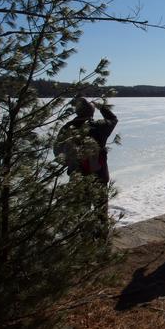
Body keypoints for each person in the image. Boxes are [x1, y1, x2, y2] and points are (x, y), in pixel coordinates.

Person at [54, 97, 118, 237]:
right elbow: (113, 119)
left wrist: (71, 163)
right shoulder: (99, 127)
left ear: (77, 111)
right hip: (99, 175)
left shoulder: (67, 128)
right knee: (100, 211)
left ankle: (84, 242)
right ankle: (102, 241)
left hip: (77, 176)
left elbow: (57, 152)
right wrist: (102, 107)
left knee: (82, 211)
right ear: (92, 112)